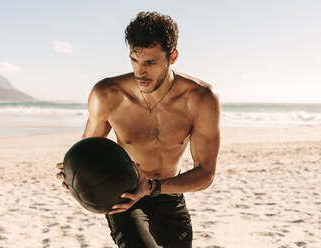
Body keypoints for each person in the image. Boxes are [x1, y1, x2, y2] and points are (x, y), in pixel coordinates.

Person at [56, 11, 220, 248]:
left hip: (169, 193)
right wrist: (73, 175)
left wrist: (153, 187)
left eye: (151, 62)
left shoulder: (200, 98)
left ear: (172, 56)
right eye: (135, 60)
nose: (140, 72)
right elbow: (88, 152)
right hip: (124, 195)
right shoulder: (108, 95)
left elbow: (206, 174)